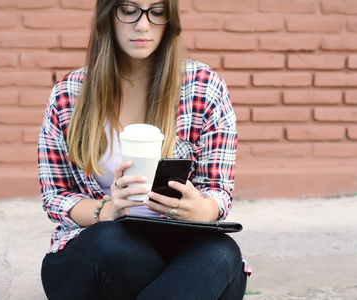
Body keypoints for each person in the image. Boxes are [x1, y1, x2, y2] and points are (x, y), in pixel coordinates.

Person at [38, 0, 251, 299]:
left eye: (157, 12)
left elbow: (217, 190)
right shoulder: (69, 94)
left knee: (220, 253)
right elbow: (55, 196)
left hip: (180, 245)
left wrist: (198, 209)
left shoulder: (204, 87)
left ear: (170, 19)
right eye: (128, 10)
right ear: (107, 16)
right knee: (111, 240)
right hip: (97, 255)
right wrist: (108, 209)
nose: (142, 25)